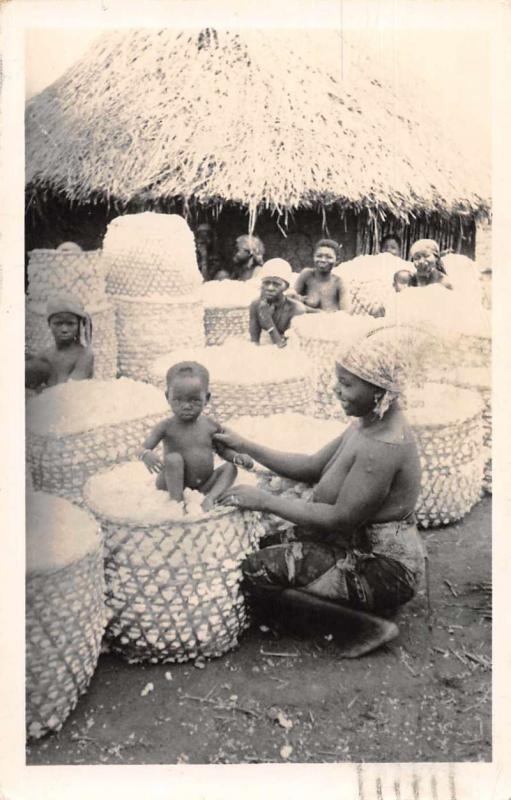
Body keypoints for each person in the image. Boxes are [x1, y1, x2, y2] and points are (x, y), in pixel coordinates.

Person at [215, 327, 425, 657]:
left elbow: (341, 518)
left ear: (379, 390)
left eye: (346, 384)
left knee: (256, 570)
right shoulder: (368, 422)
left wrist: (266, 502)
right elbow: (313, 466)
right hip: (356, 548)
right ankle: (352, 607)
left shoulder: (382, 445)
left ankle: (360, 626)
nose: (336, 390)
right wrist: (246, 445)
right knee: (263, 544)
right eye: (338, 380)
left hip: (384, 571)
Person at [138, 361, 253, 512]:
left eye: (194, 400)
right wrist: (146, 454)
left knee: (231, 469)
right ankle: (177, 503)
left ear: (207, 398)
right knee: (173, 459)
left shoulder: (210, 425)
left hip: (204, 483)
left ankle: (210, 498)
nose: (186, 406)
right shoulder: (166, 426)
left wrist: (237, 458)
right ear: (167, 397)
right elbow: (142, 448)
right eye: (178, 400)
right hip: (172, 483)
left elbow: (222, 451)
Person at [25, 294, 94, 390]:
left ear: (79, 325)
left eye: (70, 323)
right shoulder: (45, 355)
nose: (64, 329)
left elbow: (71, 391)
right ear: (49, 324)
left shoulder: (85, 355)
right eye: (58, 323)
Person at [249, 259, 307, 348]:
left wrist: (268, 321)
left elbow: (286, 348)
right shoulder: (256, 304)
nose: (270, 288)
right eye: (266, 283)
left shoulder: (297, 309)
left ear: (286, 287)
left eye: (276, 284)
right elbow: (254, 343)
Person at [294, 239, 348, 312]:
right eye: (319, 256)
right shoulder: (306, 275)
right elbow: (291, 301)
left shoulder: (338, 282)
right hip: (306, 321)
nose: (323, 260)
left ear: (337, 260)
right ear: (313, 257)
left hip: (332, 321)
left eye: (329, 257)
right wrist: (313, 310)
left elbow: (345, 312)